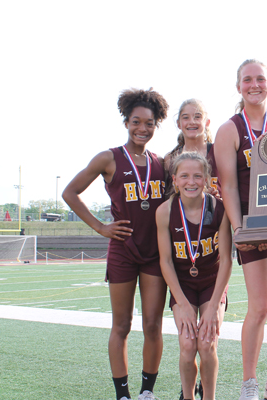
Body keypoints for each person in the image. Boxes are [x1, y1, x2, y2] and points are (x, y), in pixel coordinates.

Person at [62, 88, 170, 400]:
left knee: (152, 324)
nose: (142, 128)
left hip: (154, 253)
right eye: (136, 122)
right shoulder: (109, 157)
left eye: (149, 123)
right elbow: (70, 192)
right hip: (123, 250)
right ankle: (122, 394)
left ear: (156, 125)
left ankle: (146, 392)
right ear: (126, 122)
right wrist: (100, 227)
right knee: (121, 324)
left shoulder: (161, 163)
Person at [213, 59, 267, 400]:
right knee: (260, 306)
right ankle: (248, 381)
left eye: (260, 78)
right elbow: (229, 186)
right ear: (238, 87)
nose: (254, 84)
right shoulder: (230, 129)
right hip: (252, 226)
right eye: (247, 80)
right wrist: (239, 227)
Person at [156, 151, 232, 400]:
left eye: (198, 176)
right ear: (175, 179)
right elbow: (166, 261)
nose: (191, 182)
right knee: (188, 345)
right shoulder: (165, 211)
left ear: (207, 179)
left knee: (207, 344)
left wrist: (212, 308)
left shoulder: (218, 208)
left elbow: (227, 261)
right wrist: (183, 304)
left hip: (212, 282)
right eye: (185, 176)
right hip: (183, 285)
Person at [164, 99, 220, 199]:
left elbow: (232, 187)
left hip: (217, 213)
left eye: (197, 117)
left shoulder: (219, 151)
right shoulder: (170, 159)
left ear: (207, 122)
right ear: (179, 124)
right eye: (186, 118)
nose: (192, 122)